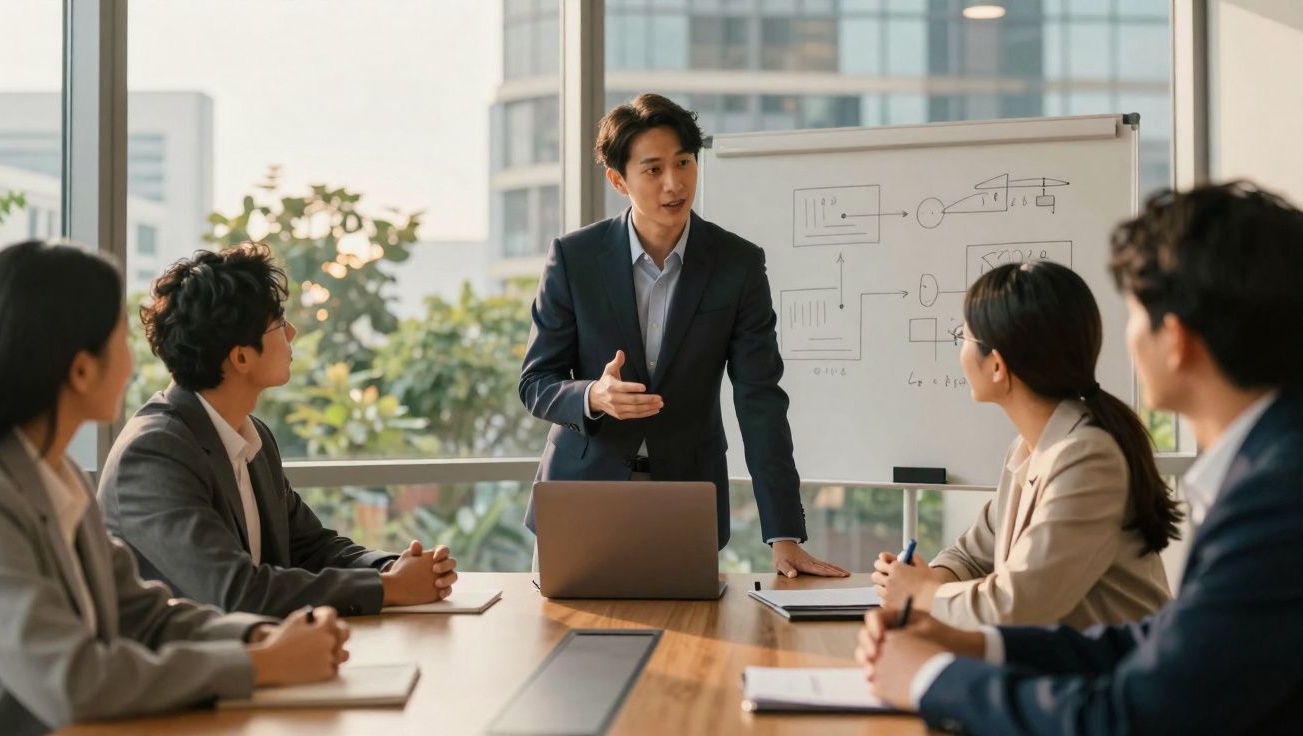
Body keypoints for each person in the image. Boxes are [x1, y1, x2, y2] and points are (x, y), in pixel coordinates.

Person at [858, 181, 1303, 734]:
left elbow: (1129, 713)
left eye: (1135, 314)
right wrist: (969, 642)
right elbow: (1150, 642)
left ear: (1176, 340)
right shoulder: (1262, 467)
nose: (1125, 339)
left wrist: (931, 676)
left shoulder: (1274, 496)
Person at [0, 240, 349, 735]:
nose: (136, 362)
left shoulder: (59, 477)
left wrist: (261, 636)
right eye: (120, 338)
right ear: (80, 369)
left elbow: (144, 614)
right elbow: (74, 682)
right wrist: (263, 665)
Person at [518, 92, 846, 577]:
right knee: (569, 643)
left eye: (684, 163)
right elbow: (535, 383)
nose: (674, 184)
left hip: (686, 497)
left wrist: (784, 534)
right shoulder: (574, 258)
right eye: (652, 170)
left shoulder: (737, 264)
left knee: (688, 641)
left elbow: (760, 400)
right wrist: (593, 395)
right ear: (617, 179)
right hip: (580, 494)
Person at [98, 244, 457, 618]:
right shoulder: (155, 452)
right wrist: (391, 588)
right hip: (184, 670)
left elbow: (309, 548)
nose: (292, 332)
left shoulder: (252, 437)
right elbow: (236, 591)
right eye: (278, 323)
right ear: (240, 357)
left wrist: (391, 566)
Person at [870, 261, 1177, 628]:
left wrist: (922, 594)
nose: (960, 350)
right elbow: (971, 555)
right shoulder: (1030, 446)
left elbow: (1018, 605)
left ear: (997, 365)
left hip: (1116, 676)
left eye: (962, 337)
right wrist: (926, 578)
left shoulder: (1088, 457)